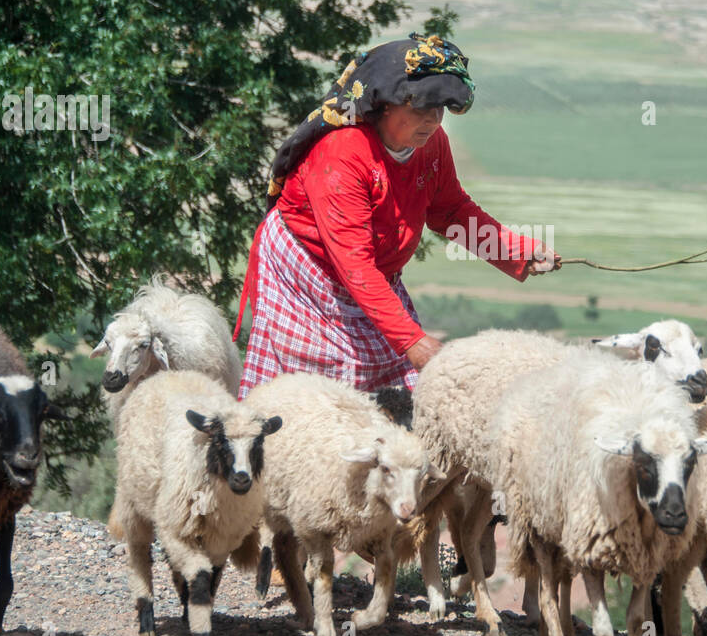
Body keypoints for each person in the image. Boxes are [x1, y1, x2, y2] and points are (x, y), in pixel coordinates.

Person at [234, 32, 559, 398]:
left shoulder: (431, 145)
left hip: (371, 274)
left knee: (397, 383)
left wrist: (515, 251)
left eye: (440, 110)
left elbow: (449, 209)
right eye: (421, 108)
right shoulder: (342, 154)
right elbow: (355, 265)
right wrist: (413, 342)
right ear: (384, 105)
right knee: (323, 390)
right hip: (311, 271)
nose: (433, 120)